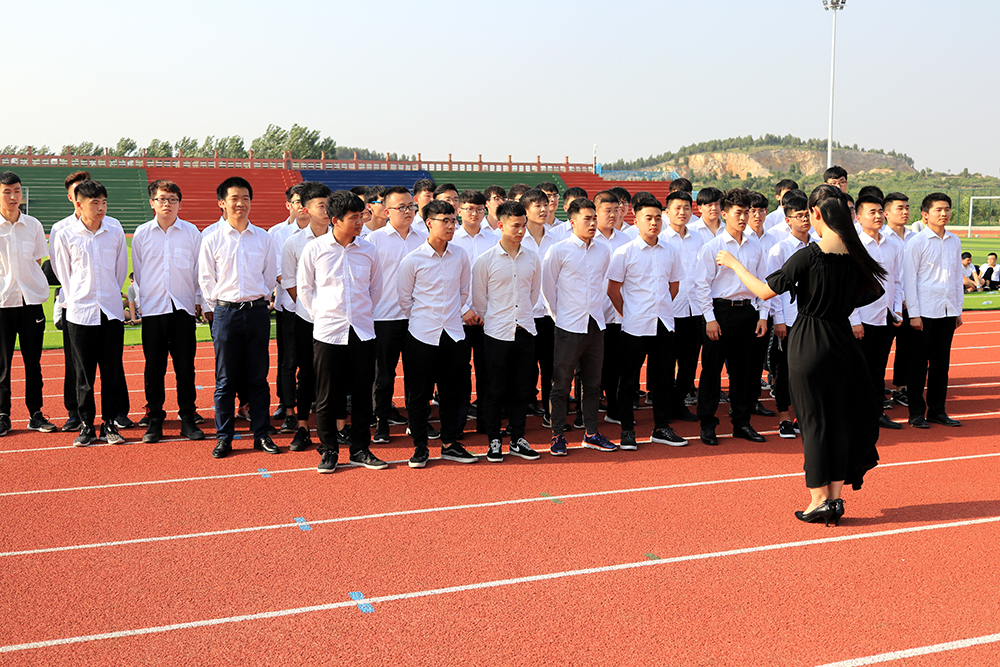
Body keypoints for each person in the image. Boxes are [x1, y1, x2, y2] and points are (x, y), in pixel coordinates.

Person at [717, 184, 884, 526]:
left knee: (813, 423)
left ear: (817, 214)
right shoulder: (855, 255)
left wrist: (735, 265)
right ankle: (835, 498)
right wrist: (838, 303)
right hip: (842, 340)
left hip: (809, 340)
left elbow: (764, 291)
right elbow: (875, 291)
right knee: (838, 419)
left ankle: (818, 500)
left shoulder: (809, 255)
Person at [297, 190, 386, 473]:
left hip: (362, 331)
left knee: (362, 395)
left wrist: (361, 313)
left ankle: (360, 449)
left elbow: (376, 289)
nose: (359, 222)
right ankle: (329, 450)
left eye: (361, 216)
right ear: (335, 220)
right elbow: (305, 290)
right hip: (328, 333)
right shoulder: (315, 249)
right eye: (353, 218)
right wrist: (323, 315)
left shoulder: (369, 250)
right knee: (327, 396)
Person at [198, 176, 279, 458]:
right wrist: (221, 305)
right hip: (226, 313)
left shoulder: (264, 238)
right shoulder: (211, 239)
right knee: (225, 380)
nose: (240, 203)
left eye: (245, 198)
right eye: (234, 198)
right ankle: (224, 437)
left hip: (257, 312)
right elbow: (206, 279)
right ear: (222, 203)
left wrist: (257, 300)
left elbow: (269, 276)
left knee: (258, 378)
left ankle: (262, 434)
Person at [398, 200, 478, 468]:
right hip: (422, 335)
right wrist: (425, 318)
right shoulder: (413, 260)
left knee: (452, 392)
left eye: (453, 220)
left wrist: (450, 313)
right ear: (429, 223)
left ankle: (449, 443)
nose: (451, 226)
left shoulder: (460, 255)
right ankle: (420, 446)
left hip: (453, 334)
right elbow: (404, 300)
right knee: (419, 394)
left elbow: (464, 292)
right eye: (445, 221)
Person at [50, 180, 129, 446]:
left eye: (104, 202)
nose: (101, 208)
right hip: (80, 312)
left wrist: (108, 293)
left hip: (110, 311)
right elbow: (63, 272)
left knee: (111, 373)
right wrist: (79, 296)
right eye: (94, 203)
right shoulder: (64, 232)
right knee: (83, 375)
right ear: (79, 204)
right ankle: (86, 425)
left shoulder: (115, 229)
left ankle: (109, 424)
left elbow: (120, 270)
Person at [130, 179, 206, 443]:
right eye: (162, 199)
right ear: (152, 203)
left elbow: (198, 271)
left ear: (179, 204)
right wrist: (147, 301)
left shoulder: (191, 232)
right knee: (154, 367)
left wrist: (198, 300)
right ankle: (155, 418)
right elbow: (139, 273)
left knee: (185, 367)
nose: (168, 204)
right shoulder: (142, 233)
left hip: (183, 308)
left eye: (173, 199)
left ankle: (187, 417)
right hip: (154, 310)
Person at [607, 197, 686, 449]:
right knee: (629, 381)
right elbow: (613, 290)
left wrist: (658, 308)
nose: (654, 223)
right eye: (648, 218)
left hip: (663, 323)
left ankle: (661, 428)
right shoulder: (624, 252)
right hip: (635, 325)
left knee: (662, 379)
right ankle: (627, 430)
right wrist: (629, 313)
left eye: (658, 218)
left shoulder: (671, 251)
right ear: (636, 220)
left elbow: (673, 286)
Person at [692, 189, 769, 446]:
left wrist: (763, 315)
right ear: (724, 214)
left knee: (743, 372)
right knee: (711, 371)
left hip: (747, 312)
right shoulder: (712, 247)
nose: (744, 217)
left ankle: (741, 423)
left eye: (747, 212)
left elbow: (762, 281)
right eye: (738, 213)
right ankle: (707, 424)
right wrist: (709, 318)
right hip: (720, 312)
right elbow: (701, 285)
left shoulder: (755, 246)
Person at [542, 197, 616, 455]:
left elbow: (603, 282)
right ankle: (557, 435)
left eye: (595, 218)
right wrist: (560, 317)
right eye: (587, 219)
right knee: (561, 384)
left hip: (595, 324)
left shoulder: (603, 250)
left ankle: (591, 432)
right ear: (572, 222)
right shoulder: (558, 250)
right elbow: (547, 289)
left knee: (593, 383)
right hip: (568, 326)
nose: (593, 223)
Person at [472, 200, 542, 462]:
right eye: (515, 226)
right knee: (494, 390)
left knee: (522, 389)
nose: (521, 231)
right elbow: (479, 299)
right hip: (496, 334)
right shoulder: (485, 261)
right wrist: (497, 318)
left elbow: (533, 294)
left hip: (525, 330)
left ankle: (517, 438)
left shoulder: (532, 258)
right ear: (500, 226)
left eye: (523, 225)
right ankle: (494, 439)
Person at [368, 186, 427, 444]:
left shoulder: (424, 238)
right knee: (383, 376)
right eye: (401, 207)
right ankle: (382, 422)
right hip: (384, 317)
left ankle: (417, 422)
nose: (407, 211)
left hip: (418, 318)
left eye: (410, 206)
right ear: (386, 211)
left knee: (419, 374)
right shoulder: (374, 240)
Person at [0, 171, 56, 436]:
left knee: (33, 363)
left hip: (30, 302)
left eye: (17, 191)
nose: (13, 197)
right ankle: (3, 415)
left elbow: (37, 261)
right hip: (2, 302)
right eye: (7, 192)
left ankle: (36, 414)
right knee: (3, 365)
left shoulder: (33, 225)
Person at [280, 182, 333, 451]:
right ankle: (302, 427)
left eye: (329, 205)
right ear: (306, 209)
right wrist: (310, 308)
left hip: (337, 320)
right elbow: (290, 282)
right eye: (321, 206)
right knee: (307, 374)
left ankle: (338, 427)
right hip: (306, 319)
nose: (326, 210)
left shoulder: (343, 238)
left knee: (335, 375)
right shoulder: (294, 243)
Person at [903, 193, 964, 429]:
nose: (944, 213)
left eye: (947, 209)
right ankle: (916, 413)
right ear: (925, 215)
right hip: (924, 312)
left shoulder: (954, 241)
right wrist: (914, 314)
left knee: (941, 364)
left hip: (947, 311)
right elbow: (909, 279)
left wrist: (957, 310)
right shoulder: (917, 242)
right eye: (938, 209)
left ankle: (938, 410)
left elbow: (956, 277)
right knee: (918, 364)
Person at [848, 193, 904, 431]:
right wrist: (854, 319)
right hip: (862, 318)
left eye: (880, 211)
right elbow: (848, 287)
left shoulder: (893, 245)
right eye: (872, 212)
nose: (878, 216)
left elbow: (897, 281)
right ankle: (855, 414)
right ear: (859, 218)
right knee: (857, 370)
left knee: (879, 368)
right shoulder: (854, 247)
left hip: (885, 317)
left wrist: (896, 311)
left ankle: (876, 412)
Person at [766, 190, 813, 438]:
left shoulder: (818, 245)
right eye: (799, 215)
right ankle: (784, 416)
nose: (804, 219)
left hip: (814, 319)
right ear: (788, 220)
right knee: (786, 370)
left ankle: (803, 416)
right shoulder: (780, 249)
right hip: (791, 319)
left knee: (810, 370)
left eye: (807, 214)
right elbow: (774, 289)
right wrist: (780, 320)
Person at [451, 189, 497, 433]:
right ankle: (457, 425)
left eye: (479, 209)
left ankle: (487, 424)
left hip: (487, 318)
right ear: (459, 211)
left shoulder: (494, 239)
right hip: (458, 318)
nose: (474, 214)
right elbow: (446, 281)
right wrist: (463, 310)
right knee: (459, 373)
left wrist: (485, 311)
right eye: (469, 209)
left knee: (488, 373)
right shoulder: (451, 239)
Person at [660, 190, 704, 422]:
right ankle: (665, 406)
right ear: (667, 212)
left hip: (694, 308)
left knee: (689, 362)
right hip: (670, 310)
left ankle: (679, 403)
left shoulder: (699, 239)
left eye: (686, 208)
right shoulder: (661, 239)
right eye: (677, 208)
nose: (682, 212)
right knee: (667, 362)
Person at [269, 183, 309, 421]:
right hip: (290, 307)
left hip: (319, 311)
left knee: (311, 360)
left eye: (306, 202)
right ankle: (286, 405)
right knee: (288, 360)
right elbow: (278, 273)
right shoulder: (278, 233)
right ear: (289, 205)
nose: (302, 206)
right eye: (297, 202)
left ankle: (309, 401)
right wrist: (305, 297)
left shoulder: (325, 232)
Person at [520, 188, 557, 424]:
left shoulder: (557, 239)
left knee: (552, 368)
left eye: (545, 204)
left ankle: (552, 414)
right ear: (525, 211)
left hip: (551, 315)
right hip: (525, 315)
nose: (544, 209)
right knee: (524, 368)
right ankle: (519, 417)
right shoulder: (516, 239)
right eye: (537, 205)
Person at [882, 192, 915, 409]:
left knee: (907, 349)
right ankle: (877, 391)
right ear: (886, 213)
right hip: (886, 305)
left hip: (911, 304)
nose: (905, 212)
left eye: (907, 208)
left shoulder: (916, 238)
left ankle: (901, 389)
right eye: (899, 208)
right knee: (881, 349)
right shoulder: (881, 238)